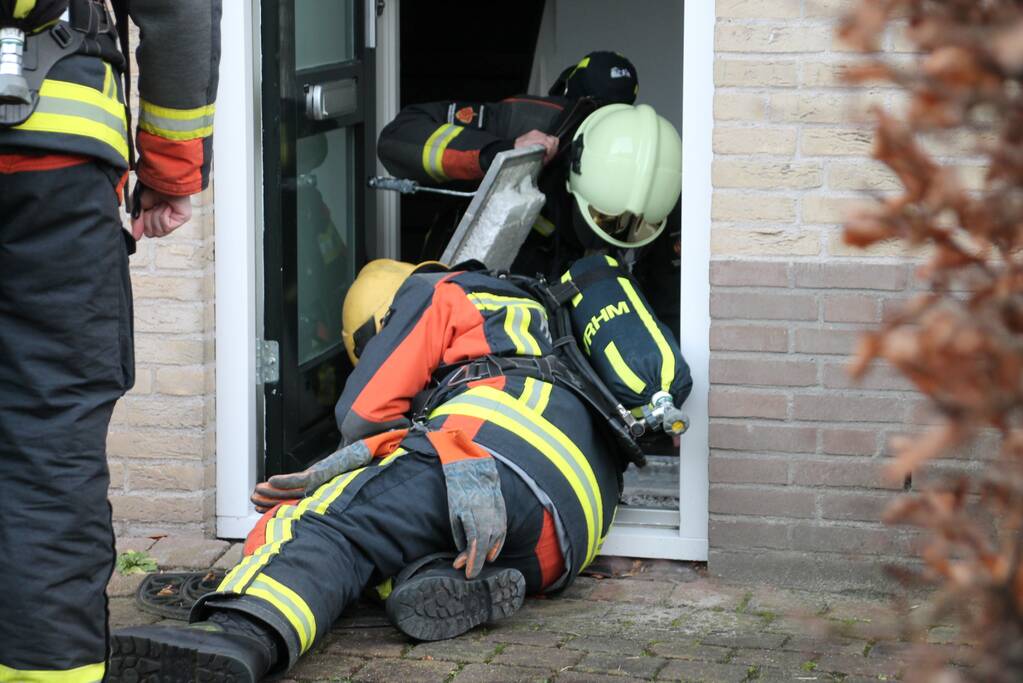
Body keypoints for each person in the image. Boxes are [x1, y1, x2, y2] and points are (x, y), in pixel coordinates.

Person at [109, 255, 691, 680]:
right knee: (399, 532)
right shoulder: (544, 321)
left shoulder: (438, 291)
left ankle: (240, 632)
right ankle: (434, 579)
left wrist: (357, 466)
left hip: (490, 453)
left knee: (325, 524)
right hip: (563, 540)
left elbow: (362, 413)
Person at [0, 0, 220, 679]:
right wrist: (171, 174)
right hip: (52, 159)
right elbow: (180, 12)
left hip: (52, 165)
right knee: (50, 437)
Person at [377, 51, 649, 274]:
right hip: (468, 282)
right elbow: (399, 136)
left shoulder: (641, 158)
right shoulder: (526, 118)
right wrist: (501, 153)